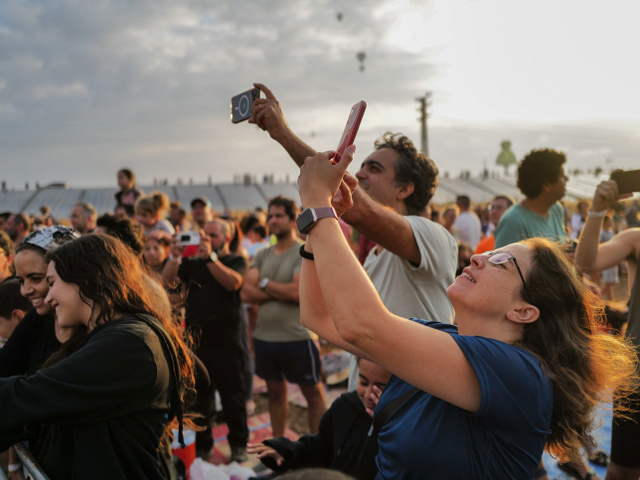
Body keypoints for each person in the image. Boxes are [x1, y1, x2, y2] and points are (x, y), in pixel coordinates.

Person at [294, 147, 637, 480]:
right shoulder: (442, 336)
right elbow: (320, 319)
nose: (477, 258)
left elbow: (361, 325)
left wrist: (317, 207)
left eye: (501, 261)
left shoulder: (521, 373)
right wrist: (319, 226)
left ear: (523, 311)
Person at [250, 84, 456, 392]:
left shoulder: (433, 236)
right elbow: (316, 318)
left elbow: (361, 211)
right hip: (371, 417)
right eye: (360, 167)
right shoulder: (372, 259)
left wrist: (283, 134)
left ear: (405, 189)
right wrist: (314, 224)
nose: (358, 175)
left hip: (414, 415)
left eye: (374, 169)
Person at [0, 234, 196, 480]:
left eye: (51, 283)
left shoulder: (129, 344)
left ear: (85, 279)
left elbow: (35, 395)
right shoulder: (115, 335)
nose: (48, 298)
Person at [162, 219, 250, 462]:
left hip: (228, 341)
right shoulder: (192, 264)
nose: (207, 238)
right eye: (203, 234)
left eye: (212, 234)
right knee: (199, 398)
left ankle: (239, 445)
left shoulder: (234, 260)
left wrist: (210, 257)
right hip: (197, 341)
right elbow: (167, 283)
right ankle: (203, 445)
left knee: (233, 397)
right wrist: (174, 256)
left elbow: (234, 283)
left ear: (227, 237)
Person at [241, 196, 327, 437]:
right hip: (266, 337)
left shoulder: (302, 251)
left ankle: (318, 450)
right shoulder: (262, 254)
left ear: (292, 219)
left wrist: (265, 284)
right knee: (276, 395)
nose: (273, 220)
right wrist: (278, 290)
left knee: (313, 396)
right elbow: (246, 293)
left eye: (279, 215)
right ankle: (280, 445)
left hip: (298, 336)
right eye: (270, 216)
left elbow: (297, 293)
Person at [575, 179, 640, 480]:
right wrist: (598, 211)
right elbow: (586, 263)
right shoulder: (635, 238)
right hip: (637, 378)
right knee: (623, 471)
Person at [247, 358, 391, 478]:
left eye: (380, 388)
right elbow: (321, 449)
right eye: (363, 382)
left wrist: (388, 427)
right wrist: (288, 450)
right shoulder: (345, 408)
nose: (368, 395)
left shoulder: (402, 428)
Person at [494, 148, 569, 248]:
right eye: (561, 175)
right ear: (547, 185)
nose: (566, 179)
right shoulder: (513, 222)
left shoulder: (556, 209)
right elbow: (501, 262)